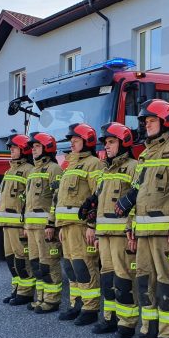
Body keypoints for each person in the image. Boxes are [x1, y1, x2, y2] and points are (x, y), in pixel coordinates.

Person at [116, 99, 169, 338]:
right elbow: (137, 194)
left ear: (166, 122)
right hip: (143, 231)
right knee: (144, 283)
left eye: (151, 121)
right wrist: (130, 226)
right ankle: (148, 329)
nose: (147, 126)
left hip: (164, 233)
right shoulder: (145, 155)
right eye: (145, 122)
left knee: (166, 283)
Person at [81, 122, 139, 337]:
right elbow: (98, 203)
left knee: (124, 279)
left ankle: (127, 322)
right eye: (106, 143)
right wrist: (94, 227)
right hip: (104, 234)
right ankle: (110, 318)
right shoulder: (105, 171)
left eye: (111, 142)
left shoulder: (134, 166)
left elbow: (137, 199)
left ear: (124, 143)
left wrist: (131, 228)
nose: (107, 146)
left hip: (121, 235)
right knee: (107, 279)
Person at [47, 123, 104, 326]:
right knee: (71, 268)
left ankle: (90, 308)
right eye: (71, 140)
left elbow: (98, 196)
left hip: (82, 227)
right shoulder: (69, 165)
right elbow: (59, 199)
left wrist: (92, 225)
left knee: (85, 266)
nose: (71, 143)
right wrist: (57, 225)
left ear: (87, 141)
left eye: (76, 140)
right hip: (66, 227)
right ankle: (76, 304)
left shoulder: (94, 164)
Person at [24, 132, 64, 313]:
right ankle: (40, 298)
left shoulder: (54, 169)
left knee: (49, 263)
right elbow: (27, 200)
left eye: (37, 147)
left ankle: (52, 300)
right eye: (32, 147)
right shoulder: (32, 171)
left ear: (47, 148)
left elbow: (58, 198)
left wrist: (51, 224)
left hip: (44, 227)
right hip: (31, 227)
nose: (33, 150)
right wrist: (25, 224)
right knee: (36, 264)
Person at [0, 133, 35, 306]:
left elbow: (30, 199)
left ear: (23, 150)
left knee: (22, 259)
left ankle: (26, 292)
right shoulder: (9, 170)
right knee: (10, 258)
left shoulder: (29, 170)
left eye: (14, 148)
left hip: (19, 223)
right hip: (6, 223)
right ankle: (16, 289)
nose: (11, 151)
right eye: (11, 148)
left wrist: (26, 224)